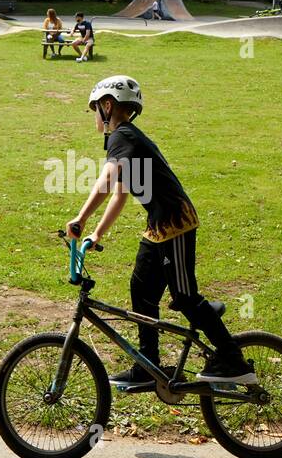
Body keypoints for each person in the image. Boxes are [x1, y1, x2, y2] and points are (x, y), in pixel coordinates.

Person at [65, 75, 256, 385]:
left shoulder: (122, 136)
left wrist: (81, 217)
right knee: (141, 291)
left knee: (184, 296)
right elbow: (121, 192)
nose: (94, 117)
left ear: (107, 105)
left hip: (175, 224)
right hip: (158, 227)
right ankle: (147, 366)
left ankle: (233, 360)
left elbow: (107, 182)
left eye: (94, 109)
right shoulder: (127, 139)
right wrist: (97, 233)